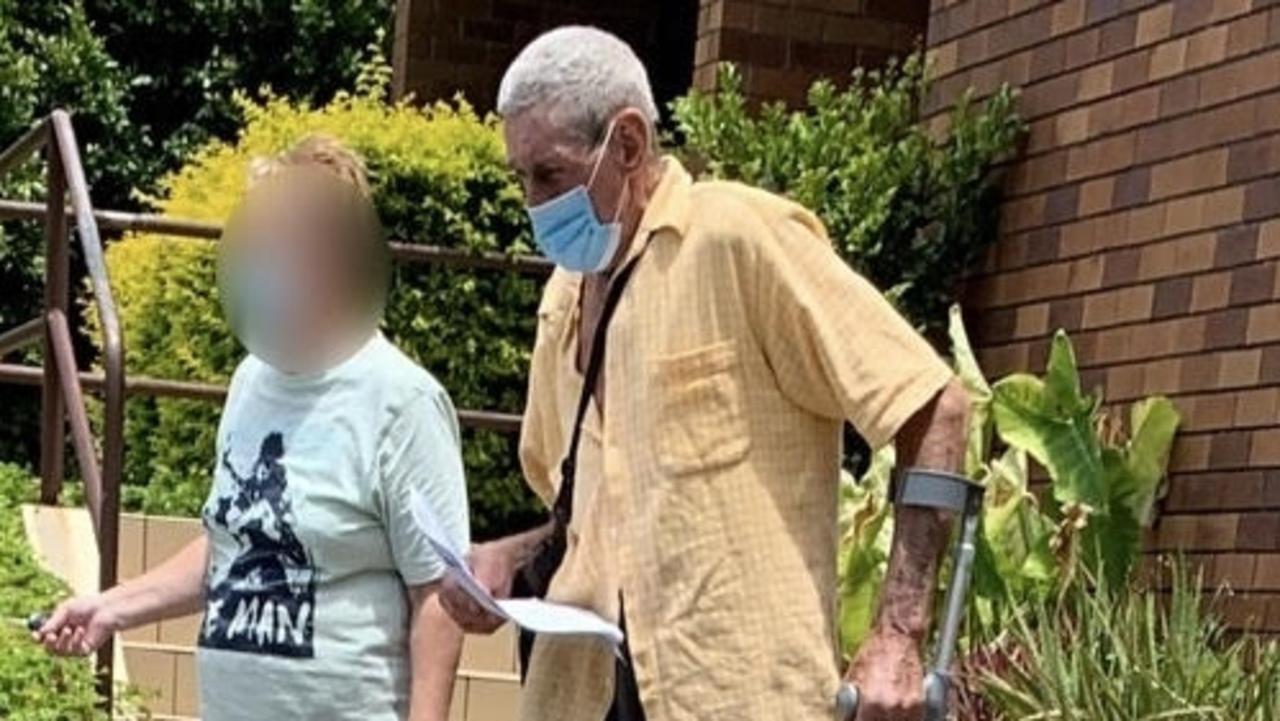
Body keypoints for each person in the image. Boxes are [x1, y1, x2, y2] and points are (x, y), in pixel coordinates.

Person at [438, 26, 971, 721]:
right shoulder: (564, 297)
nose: (533, 203)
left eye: (550, 174)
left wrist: (898, 633)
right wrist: (506, 563)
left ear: (627, 144)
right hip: (580, 696)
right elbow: (591, 521)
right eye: (522, 178)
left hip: (732, 697)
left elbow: (935, 405)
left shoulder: (734, 237)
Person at [35, 136, 470, 721]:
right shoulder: (251, 382)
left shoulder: (402, 402)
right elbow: (231, 543)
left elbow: (438, 594)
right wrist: (112, 608)